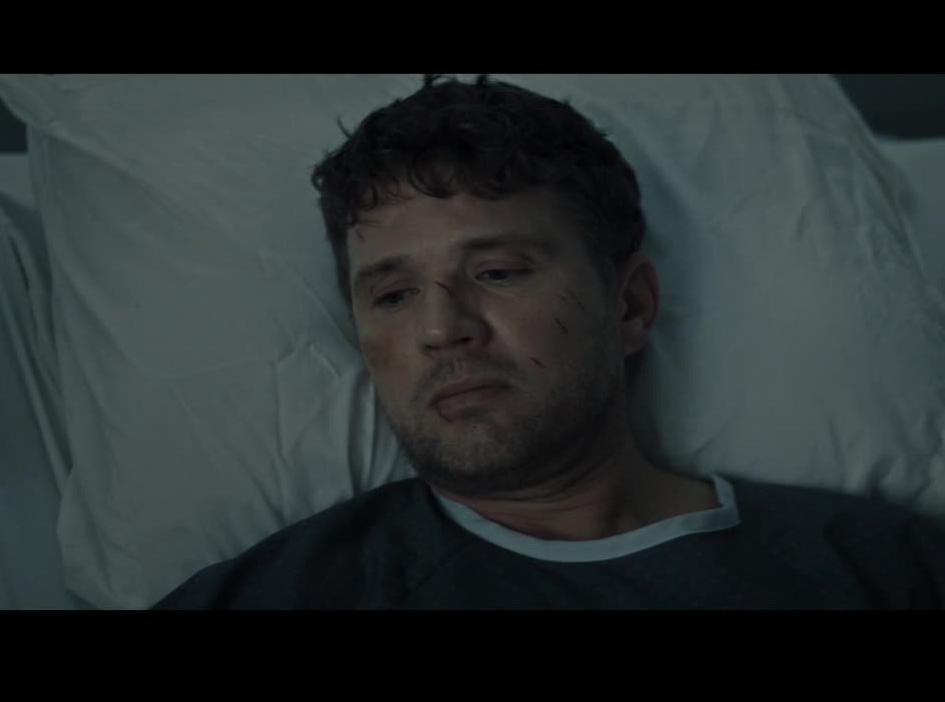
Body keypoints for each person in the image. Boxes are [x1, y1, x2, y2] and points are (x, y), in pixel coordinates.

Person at [153, 75, 945, 609]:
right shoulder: (287, 593)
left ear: (630, 304)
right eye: (393, 295)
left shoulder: (879, 566)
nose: (440, 329)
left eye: (496, 272)